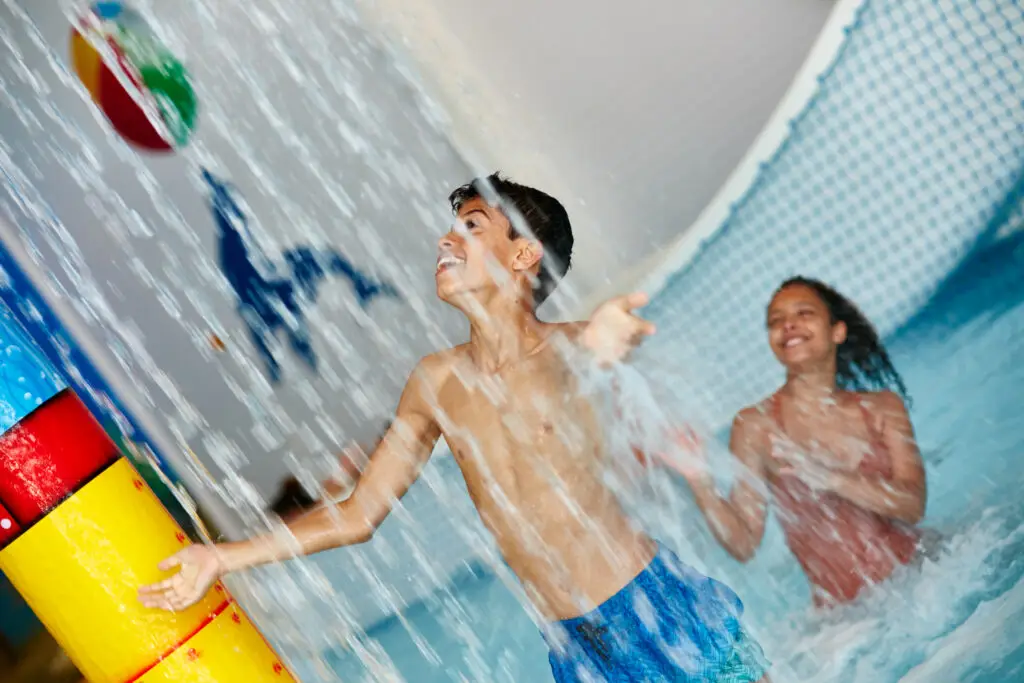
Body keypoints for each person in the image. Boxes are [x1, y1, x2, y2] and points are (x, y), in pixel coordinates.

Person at [139, 174, 770, 682]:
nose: (447, 240)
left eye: (471, 226)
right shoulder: (436, 383)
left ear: (524, 255)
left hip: (649, 608)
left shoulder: (569, 348)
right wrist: (222, 556)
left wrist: (607, 341)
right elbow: (358, 513)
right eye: (450, 227)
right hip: (575, 649)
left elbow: (596, 357)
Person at [667, 277, 926, 607]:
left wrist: (829, 477)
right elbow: (744, 543)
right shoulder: (755, 425)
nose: (788, 325)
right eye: (776, 321)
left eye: (804, 313)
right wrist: (698, 479)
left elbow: (912, 505)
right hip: (847, 618)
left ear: (838, 332)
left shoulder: (882, 409)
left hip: (920, 576)